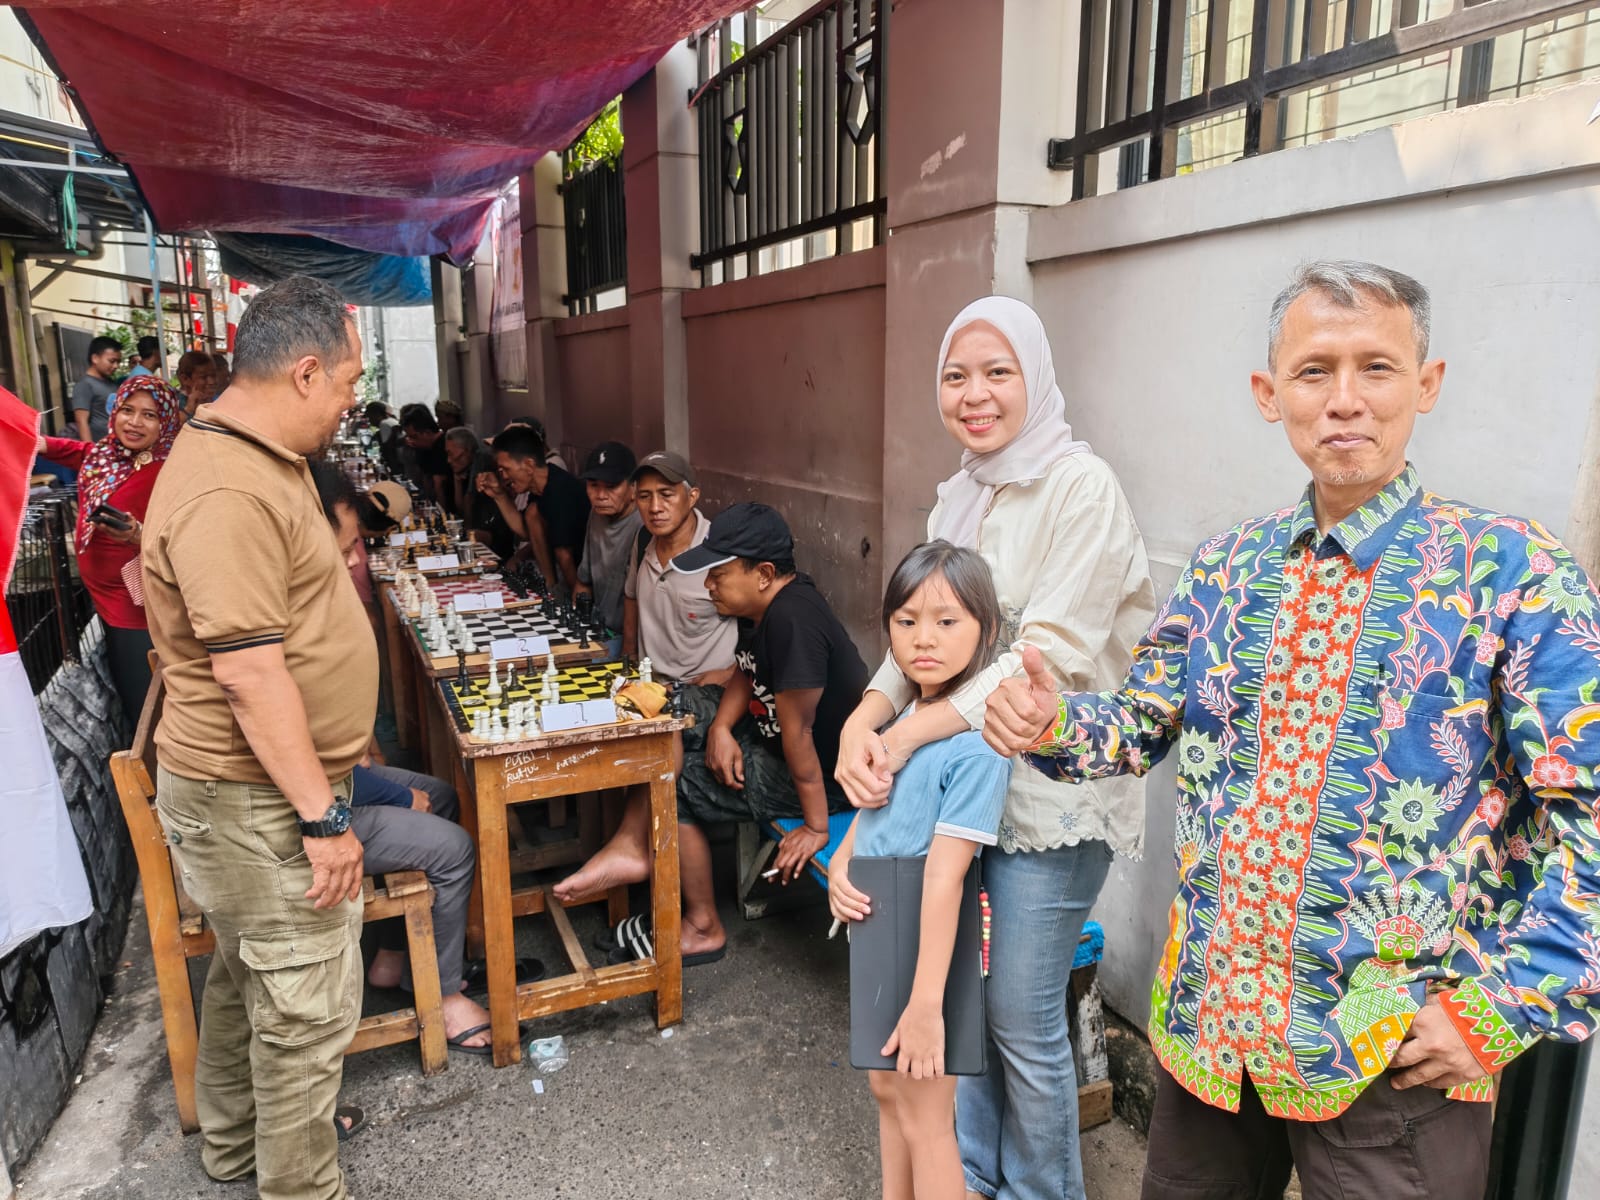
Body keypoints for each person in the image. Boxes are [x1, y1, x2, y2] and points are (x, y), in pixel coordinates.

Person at [984, 261, 1600, 1200]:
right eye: (1315, 372)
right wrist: (1049, 720)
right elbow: (1140, 722)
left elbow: (1588, 817)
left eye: (1377, 369)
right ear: (1271, 396)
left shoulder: (1512, 574)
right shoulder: (1227, 567)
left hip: (1395, 1053)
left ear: (1426, 385)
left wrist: (1497, 1010)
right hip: (1213, 1032)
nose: (1345, 400)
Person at [834, 295, 1155, 1200]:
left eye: (997, 372)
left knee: (1018, 1013)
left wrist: (897, 739)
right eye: (956, 375)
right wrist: (865, 714)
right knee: (962, 1009)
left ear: (1036, 378)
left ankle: (1042, 1191)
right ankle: (966, 1177)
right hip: (962, 801)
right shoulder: (960, 491)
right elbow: (931, 631)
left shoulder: (1081, 488)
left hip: (1051, 799)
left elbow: (1031, 657)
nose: (974, 394)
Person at [141, 274, 373, 1199]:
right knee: (305, 1018)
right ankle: (299, 1188)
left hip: (248, 792)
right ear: (307, 374)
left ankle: (233, 1151)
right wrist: (323, 820)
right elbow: (245, 669)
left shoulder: (255, 452)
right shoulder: (229, 487)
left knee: (251, 988)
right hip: (258, 798)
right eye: (350, 385)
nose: (352, 404)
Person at [561, 503, 868, 962]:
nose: (708, 585)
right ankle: (632, 845)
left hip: (825, 779)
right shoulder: (762, 606)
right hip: (774, 740)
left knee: (675, 784)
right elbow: (745, 673)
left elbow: (800, 734)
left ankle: (703, 926)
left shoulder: (793, 621)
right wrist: (722, 729)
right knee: (671, 708)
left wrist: (816, 827)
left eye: (718, 574)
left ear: (763, 573)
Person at [308, 460, 512, 1054]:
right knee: (454, 849)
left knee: (445, 795)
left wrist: (386, 781)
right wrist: (395, 796)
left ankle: (398, 956)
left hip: (338, 782)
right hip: (314, 809)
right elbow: (316, 767)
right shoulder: (279, 628)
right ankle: (446, 995)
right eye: (345, 547)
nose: (357, 561)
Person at [829, 541, 1012, 1200]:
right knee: (887, 1089)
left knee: (929, 1114)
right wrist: (845, 860)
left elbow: (946, 878)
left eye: (947, 621)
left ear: (986, 631)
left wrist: (928, 1005)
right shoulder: (903, 716)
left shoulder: (977, 744)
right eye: (906, 622)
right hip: (880, 916)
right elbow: (879, 814)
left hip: (930, 933)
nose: (923, 639)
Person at [33, 376, 185, 725]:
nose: (134, 422)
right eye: (128, 410)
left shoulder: (169, 468)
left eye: (149, 415)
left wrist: (137, 535)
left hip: (136, 607)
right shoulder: (105, 454)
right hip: (105, 599)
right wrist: (35, 441)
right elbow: (69, 450)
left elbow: (185, 535)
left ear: (165, 421)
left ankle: (156, 772)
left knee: (145, 704)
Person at [620, 451, 738, 685]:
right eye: (644, 496)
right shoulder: (644, 538)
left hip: (706, 695)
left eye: (666, 495)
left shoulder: (720, 549)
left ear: (692, 496)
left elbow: (760, 623)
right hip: (652, 688)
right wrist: (629, 654)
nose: (654, 507)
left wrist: (730, 675)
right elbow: (631, 596)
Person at [484, 423, 589, 597]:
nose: (503, 475)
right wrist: (499, 496)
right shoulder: (540, 488)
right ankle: (550, 589)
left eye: (506, 469)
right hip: (562, 576)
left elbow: (565, 556)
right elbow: (527, 532)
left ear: (529, 465)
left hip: (582, 581)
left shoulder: (560, 491)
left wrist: (576, 604)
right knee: (532, 512)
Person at [574, 440, 643, 634]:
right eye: (593, 485)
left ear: (633, 488)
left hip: (631, 637)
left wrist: (627, 651)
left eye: (611, 486)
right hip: (600, 630)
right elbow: (583, 582)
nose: (600, 495)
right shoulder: (596, 514)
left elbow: (636, 601)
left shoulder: (644, 526)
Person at [69, 335, 122, 441]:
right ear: (95, 358)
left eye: (118, 362)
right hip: (99, 448)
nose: (116, 366)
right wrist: (90, 451)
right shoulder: (85, 385)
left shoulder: (111, 383)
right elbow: (81, 421)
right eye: (112, 361)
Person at [400, 407, 450, 504]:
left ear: (427, 433)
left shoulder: (444, 446)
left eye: (414, 437)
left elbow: (438, 484)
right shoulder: (424, 449)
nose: (410, 441)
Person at [174, 349, 218, 419]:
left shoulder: (217, 401)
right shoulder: (175, 405)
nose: (211, 382)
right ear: (185, 379)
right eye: (203, 377)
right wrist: (188, 410)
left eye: (213, 375)